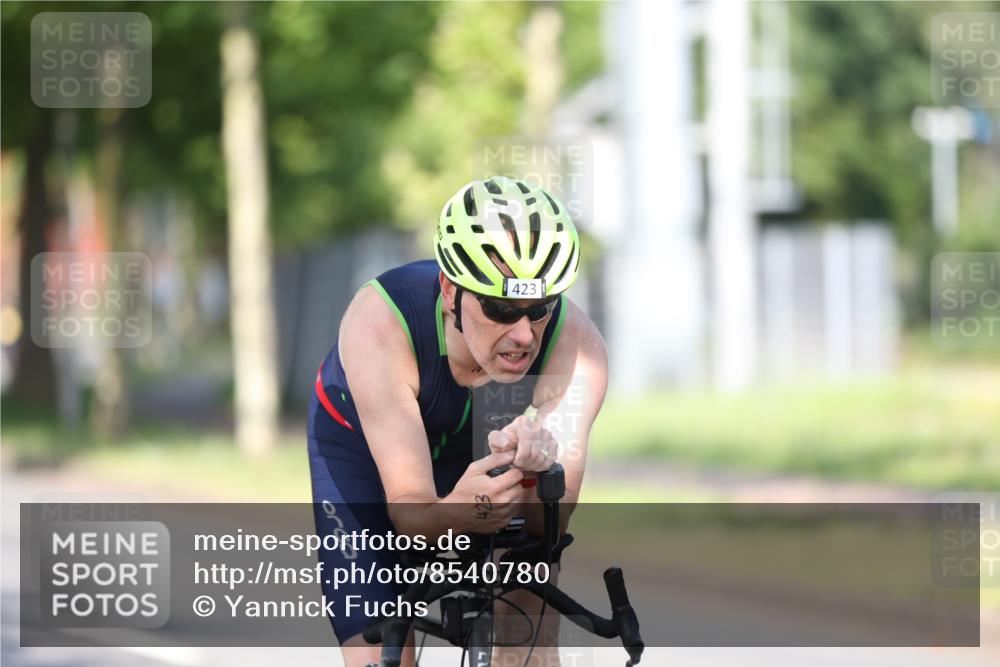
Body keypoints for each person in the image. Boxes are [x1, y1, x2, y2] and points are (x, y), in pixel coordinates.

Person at [308, 176, 608, 667]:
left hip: (478, 448)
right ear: (451, 291)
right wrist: (456, 512)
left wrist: (534, 474)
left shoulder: (579, 348)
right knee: (379, 653)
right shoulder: (379, 323)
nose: (523, 335)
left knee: (527, 622)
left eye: (539, 310)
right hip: (360, 447)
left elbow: (549, 524)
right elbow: (411, 513)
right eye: (501, 308)